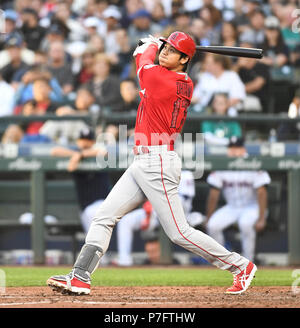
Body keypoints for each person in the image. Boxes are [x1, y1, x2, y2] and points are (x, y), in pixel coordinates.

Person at [47, 31, 257, 296]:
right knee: (104, 216)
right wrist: (158, 44)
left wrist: (150, 44)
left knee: (179, 233)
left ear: (184, 59)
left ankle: (240, 266)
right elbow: (146, 60)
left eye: (172, 50)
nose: (166, 52)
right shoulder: (183, 81)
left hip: (157, 161)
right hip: (145, 160)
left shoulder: (162, 78)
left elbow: (142, 59)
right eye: (165, 48)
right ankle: (80, 276)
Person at [115, 170, 205, 266]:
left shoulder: (185, 173)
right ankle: (124, 261)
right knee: (126, 221)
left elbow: (183, 201)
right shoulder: (154, 168)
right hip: (153, 211)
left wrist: (153, 210)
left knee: (197, 220)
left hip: (178, 214)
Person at [206, 137, 271, 262]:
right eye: (231, 148)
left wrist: (262, 218)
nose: (234, 151)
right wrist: (209, 217)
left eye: (237, 148)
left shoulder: (253, 162)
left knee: (245, 224)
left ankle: (248, 262)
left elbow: (262, 192)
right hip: (232, 207)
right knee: (212, 225)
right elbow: (214, 194)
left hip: (252, 207)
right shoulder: (222, 164)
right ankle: (223, 261)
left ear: (243, 149)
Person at [50, 127, 110, 233]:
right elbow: (54, 151)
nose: (85, 143)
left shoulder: (96, 151)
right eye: (82, 140)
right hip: (85, 207)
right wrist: (75, 154)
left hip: (101, 203)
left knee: (92, 216)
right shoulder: (74, 152)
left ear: (92, 142)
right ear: (78, 141)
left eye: (88, 140)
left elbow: (105, 152)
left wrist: (81, 155)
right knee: (91, 236)